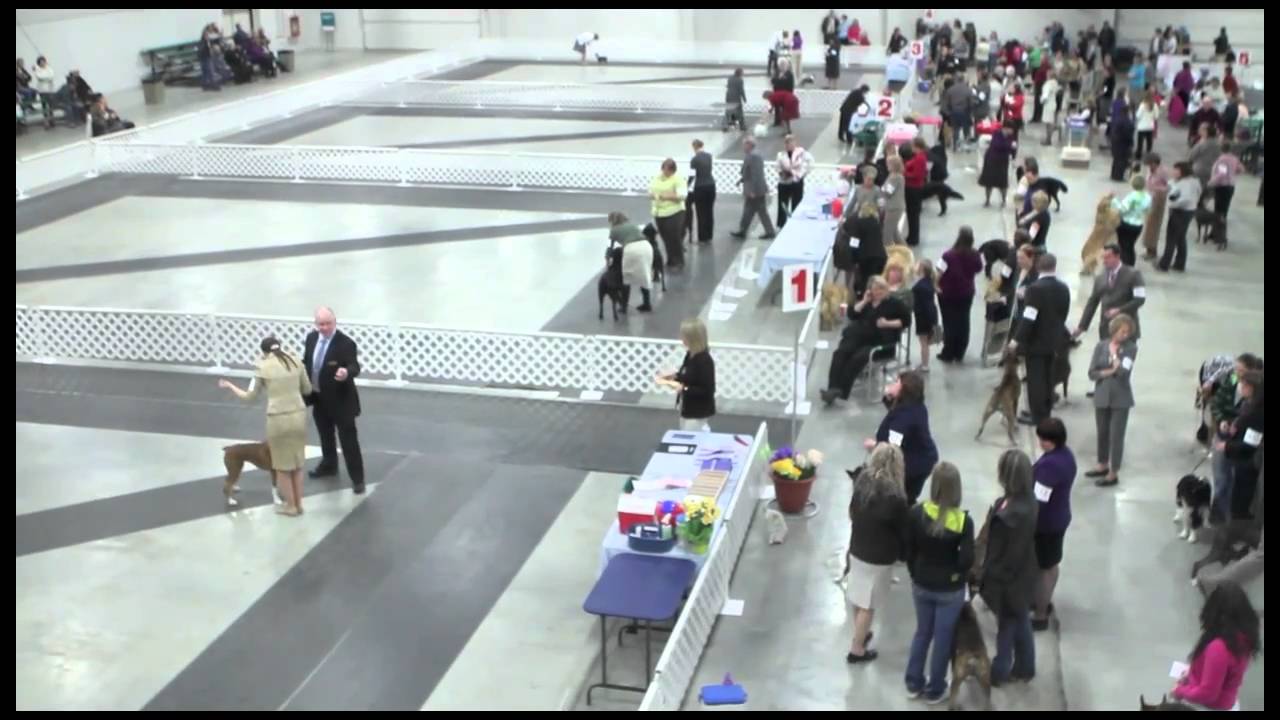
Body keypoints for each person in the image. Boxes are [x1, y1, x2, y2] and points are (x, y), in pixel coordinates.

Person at [902, 461, 974, 703]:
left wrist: (915, 572)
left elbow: (908, 551)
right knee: (943, 638)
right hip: (949, 590)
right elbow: (966, 560)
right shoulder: (963, 522)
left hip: (921, 583)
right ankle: (935, 689)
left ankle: (913, 683)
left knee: (922, 633)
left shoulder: (917, 513)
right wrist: (957, 576)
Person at [218, 336, 313, 516]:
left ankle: (291, 507)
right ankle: (299, 505)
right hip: (299, 416)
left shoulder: (262, 367)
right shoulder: (296, 362)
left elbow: (249, 397)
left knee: (282, 467)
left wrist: (231, 386)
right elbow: (307, 389)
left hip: (278, 420)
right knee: (297, 464)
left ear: (263, 351)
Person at [845, 442, 909, 664]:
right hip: (879, 557)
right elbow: (904, 531)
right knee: (868, 605)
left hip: (857, 547)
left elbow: (851, 512)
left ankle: (860, 633)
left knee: (858, 594)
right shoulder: (897, 498)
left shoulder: (862, 481)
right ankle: (857, 648)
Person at [979, 449, 1039, 685]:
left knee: (1006, 627)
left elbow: (1003, 556)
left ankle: (999, 671)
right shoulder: (1029, 500)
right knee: (1020, 618)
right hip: (1025, 574)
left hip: (1008, 582)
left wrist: (987, 576)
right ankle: (1026, 666)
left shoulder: (1010, 518)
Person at [303, 307, 365, 494]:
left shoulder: (346, 343)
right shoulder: (311, 339)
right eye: (320, 324)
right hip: (319, 398)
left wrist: (346, 372)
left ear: (335, 322)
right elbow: (307, 362)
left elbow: (354, 366)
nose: (324, 327)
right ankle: (329, 465)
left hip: (341, 402)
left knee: (349, 441)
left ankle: (358, 479)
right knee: (325, 435)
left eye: (328, 323)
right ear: (316, 324)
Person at [821, 276, 910, 405]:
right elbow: (852, 314)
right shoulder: (868, 302)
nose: (878, 292)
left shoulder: (894, 304)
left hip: (881, 343)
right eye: (875, 289)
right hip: (860, 338)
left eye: (881, 289)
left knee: (857, 357)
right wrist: (864, 301)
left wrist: (887, 323)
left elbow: (906, 321)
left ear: (886, 289)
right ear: (870, 290)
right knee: (840, 353)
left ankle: (840, 391)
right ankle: (832, 388)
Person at [1171, 582, 1260, 711]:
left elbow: (1207, 694)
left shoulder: (1219, 648)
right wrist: (1193, 673)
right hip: (1226, 702)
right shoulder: (1243, 639)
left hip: (1207, 706)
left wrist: (1179, 691)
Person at [1010, 253, 1070, 426]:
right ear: (1054, 266)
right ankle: (1046, 413)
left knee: (1036, 381)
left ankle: (1038, 417)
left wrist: (1016, 340)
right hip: (1055, 341)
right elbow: (1063, 314)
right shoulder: (1063, 288)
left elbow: (1029, 317)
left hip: (1036, 343)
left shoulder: (1035, 289)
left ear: (1037, 267)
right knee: (1048, 378)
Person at [1030, 418, 1075, 631]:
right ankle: (1041, 601)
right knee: (1050, 563)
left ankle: (1040, 614)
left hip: (1046, 523)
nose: (1040, 442)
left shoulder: (1051, 465)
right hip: (1060, 516)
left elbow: (1039, 499)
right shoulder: (1066, 455)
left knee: (1045, 567)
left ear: (1053, 440)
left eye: (1044, 439)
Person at [866, 371, 939, 504]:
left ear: (904, 389)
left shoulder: (904, 419)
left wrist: (875, 446)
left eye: (896, 382)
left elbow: (892, 448)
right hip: (923, 458)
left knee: (903, 497)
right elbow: (895, 410)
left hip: (913, 465)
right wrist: (889, 397)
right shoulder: (916, 406)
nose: (893, 384)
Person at [1086, 314, 1138, 488]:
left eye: (1128, 332)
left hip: (1120, 398)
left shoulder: (1130, 349)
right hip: (1101, 395)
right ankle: (1102, 464)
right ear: (1114, 330)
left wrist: (1115, 356)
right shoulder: (1101, 346)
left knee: (1116, 435)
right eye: (1122, 331)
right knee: (1102, 432)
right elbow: (1092, 373)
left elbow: (1123, 372)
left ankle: (1113, 471)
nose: (1125, 335)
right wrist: (1109, 371)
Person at [1074, 243, 1146, 350]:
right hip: (1106, 330)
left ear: (1117, 256)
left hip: (1126, 329)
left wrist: (1120, 310)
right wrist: (1082, 326)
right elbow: (1092, 302)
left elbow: (1140, 299)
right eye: (1103, 257)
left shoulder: (1134, 275)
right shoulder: (1100, 278)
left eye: (1108, 257)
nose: (1105, 261)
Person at [1218, 370, 1263, 519]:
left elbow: (1251, 444)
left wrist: (1227, 446)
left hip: (1247, 464)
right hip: (1238, 460)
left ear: (1251, 388)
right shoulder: (1247, 404)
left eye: (1243, 385)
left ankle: (1240, 533)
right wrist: (1232, 426)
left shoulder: (1258, 413)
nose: (1239, 387)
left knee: (1240, 502)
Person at [656, 318, 715, 431]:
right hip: (686, 407)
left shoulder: (705, 361)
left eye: (684, 336)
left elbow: (707, 390)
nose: (681, 338)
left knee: (690, 437)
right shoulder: (690, 354)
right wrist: (674, 376)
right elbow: (687, 374)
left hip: (698, 411)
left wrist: (684, 388)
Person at [936, 226, 983, 364]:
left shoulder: (948, 255)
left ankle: (948, 353)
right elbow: (979, 268)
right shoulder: (975, 254)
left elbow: (938, 273)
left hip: (948, 294)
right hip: (966, 293)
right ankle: (960, 352)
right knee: (963, 321)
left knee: (949, 322)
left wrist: (935, 287)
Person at [730, 137, 776, 240]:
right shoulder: (752, 155)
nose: (743, 147)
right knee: (749, 210)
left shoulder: (754, 156)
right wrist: (741, 180)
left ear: (749, 145)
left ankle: (769, 231)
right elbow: (749, 172)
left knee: (759, 210)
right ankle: (743, 230)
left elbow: (756, 175)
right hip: (753, 188)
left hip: (755, 190)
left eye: (744, 145)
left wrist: (753, 190)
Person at [608, 212, 655, 312]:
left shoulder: (614, 230)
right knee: (645, 276)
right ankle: (647, 304)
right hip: (647, 246)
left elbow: (611, 248)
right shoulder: (632, 226)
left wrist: (608, 259)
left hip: (632, 249)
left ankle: (624, 307)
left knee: (627, 278)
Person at [1159, 161, 1200, 272]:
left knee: (1171, 238)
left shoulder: (1186, 183)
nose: (1173, 172)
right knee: (1180, 237)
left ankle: (1164, 264)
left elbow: (1185, 199)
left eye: (1176, 170)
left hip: (1180, 211)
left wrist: (1173, 204)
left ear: (1182, 172)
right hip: (1189, 211)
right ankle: (1179, 264)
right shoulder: (1193, 181)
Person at [649, 158, 687, 270]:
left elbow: (681, 196)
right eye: (664, 169)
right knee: (665, 238)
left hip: (675, 213)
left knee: (674, 238)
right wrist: (668, 194)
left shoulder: (678, 180)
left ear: (673, 170)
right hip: (659, 213)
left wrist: (663, 196)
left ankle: (679, 261)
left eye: (668, 170)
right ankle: (670, 260)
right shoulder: (657, 178)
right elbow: (651, 191)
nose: (665, 172)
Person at [847, 201, 887, 300]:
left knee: (866, 282)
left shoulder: (858, 224)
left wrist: (854, 259)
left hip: (866, 258)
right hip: (881, 257)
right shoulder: (876, 223)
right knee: (877, 281)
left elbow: (854, 243)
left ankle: (866, 303)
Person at [1110, 176, 1152, 266]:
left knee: (1123, 246)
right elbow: (1148, 210)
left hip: (1126, 224)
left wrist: (1114, 200)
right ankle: (1131, 265)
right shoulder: (1148, 197)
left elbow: (1123, 209)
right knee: (1130, 246)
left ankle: (1123, 266)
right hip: (1138, 225)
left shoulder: (1132, 196)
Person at [1208, 141, 1245, 241]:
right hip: (1231, 186)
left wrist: (1211, 182)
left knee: (1219, 212)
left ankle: (1218, 235)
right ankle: (1215, 233)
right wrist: (1233, 173)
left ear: (1221, 149)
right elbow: (1241, 169)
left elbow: (1221, 174)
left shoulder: (1222, 159)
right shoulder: (1234, 158)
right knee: (1224, 212)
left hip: (1222, 187)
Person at [775, 135, 814, 229]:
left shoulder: (802, 153)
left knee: (796, 203)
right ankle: (782, 224)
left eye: (791, 142)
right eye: (787, 143)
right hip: (784, 182)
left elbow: (811, 163)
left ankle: (796, 223)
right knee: (782, 204)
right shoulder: (781, 155)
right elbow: (777, 167)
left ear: (795, 143)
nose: (789, 144)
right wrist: (782, 173)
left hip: (796, 182)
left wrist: (803, 174)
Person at [1141, 153, 1170, 261]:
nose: (1149, 167)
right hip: (1150, 198)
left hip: (1158, 200)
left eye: (1150, 164)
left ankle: (1152, 250)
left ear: (1154, 163)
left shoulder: (1163, 172)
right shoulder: (1150, 171)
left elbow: (1169, 186)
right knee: (1148, 225)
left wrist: (1159, 190)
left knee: (1154, 225)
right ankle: (1148, 248)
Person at [912, 259, 939, 373]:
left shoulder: (921, 286)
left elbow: (925, 304)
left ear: (921, 269)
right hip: (928, 315)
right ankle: (924, 362)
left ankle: (925, 365)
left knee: (924, 342)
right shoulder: (929, 282)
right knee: (924, 342)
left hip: (923, 317)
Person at [980, 124, 1017, 207]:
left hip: (1003, 162)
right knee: (989, 182)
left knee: (1003, 183)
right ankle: (987, 200)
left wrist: (1013, 157)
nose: (1012, 132)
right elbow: (996, 145)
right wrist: (1010, 146)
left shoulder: (1011, 136)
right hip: (991, 160)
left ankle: (1004, 200)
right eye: (1011, 129)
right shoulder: (996, 134)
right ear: (1006, 128)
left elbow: (1013, 148)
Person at [688, 140, 716, 244]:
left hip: (700, 186)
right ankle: (709, 235)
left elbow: (692, 175)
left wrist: (686, 185)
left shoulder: (694, 159)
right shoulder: (709, 156)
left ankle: (702, 237)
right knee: (709, 211)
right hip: (711, 185)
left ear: (695, 147)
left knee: (701, 212)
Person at [902, 139, 928, 247]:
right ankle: (911, 236)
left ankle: (914, 238)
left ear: (917, 146)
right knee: (911, 214)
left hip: (913, 188)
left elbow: (916, 175)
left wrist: (904, 173)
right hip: (913, 187)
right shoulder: (918, 157)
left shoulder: (920, 158)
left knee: (913, 214)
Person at [882, 153, 907, 246]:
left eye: (888, 164)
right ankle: (905, 251)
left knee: (887, 234)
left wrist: (881, 189)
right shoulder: (897, 176)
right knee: (895, 233)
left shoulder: (894, 177)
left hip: (893, 208)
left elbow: (888, 192)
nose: (886, 165)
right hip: (896, 207)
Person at [1109, 101, 1136, 182]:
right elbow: (1128, 135)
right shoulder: (1127, 122)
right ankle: (1118, 176)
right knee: (1122, 160)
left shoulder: (1118, 119)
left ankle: (1113, 174)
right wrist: (1131, 143)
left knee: (1116, 160)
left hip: (1115, 142)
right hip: (1123, 144)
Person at [837, 83, 870, 148]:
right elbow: (863, 103)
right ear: (864, 90)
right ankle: (849, 139)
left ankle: (840, 136)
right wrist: (869, 107)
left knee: (842, 123)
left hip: (844, 108)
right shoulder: (860, 95)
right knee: (848, 125)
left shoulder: (855, 91)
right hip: (849, 111)